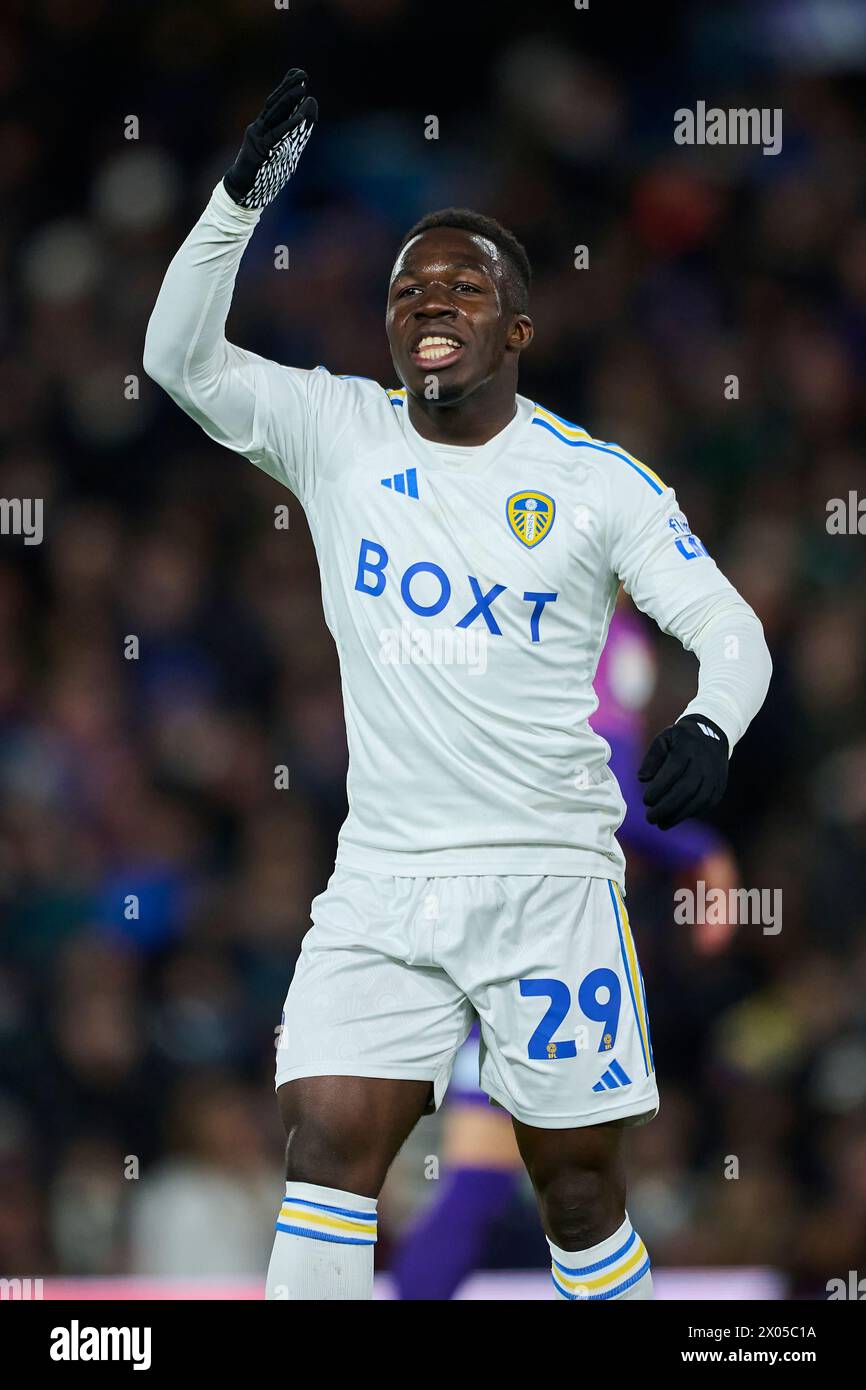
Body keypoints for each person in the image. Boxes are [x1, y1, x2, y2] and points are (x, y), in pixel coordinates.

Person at [144, 69, 772, 1301]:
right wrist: (236, 202)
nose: (428, 300)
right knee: (326, 1144)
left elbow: (730, 630)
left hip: (547, 876)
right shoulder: (335, 431)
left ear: (516, 330)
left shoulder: (599, 485)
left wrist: (711, 721)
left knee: (578, 1191)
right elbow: (174, 356)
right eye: (406, 289)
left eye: (462, 285)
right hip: (383, 877)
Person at [391, 603, 740, 1299]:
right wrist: (702, 852)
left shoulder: (517, 601)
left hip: (496, 922)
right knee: (574, 1182)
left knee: (493, 1183)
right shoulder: (587, 620)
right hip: (543, 938)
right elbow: (599, 782)